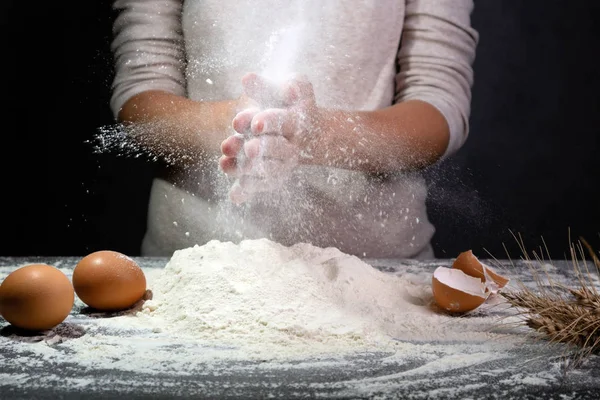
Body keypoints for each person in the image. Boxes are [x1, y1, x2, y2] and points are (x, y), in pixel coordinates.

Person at [109, 0, 478, 258]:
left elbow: (439, 106)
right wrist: (244, 122)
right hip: (195, 266)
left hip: (379, 278)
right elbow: (141, 101)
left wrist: (316, 133)